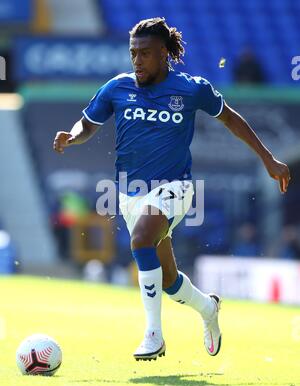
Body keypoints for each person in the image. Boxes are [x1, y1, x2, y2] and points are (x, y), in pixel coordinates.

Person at [53, 18, 291, 361]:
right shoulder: (117, 88)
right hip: (130, 192)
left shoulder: (191, 89)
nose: (137, 60)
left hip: (175, 188)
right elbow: (88, 123)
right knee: (168, 280)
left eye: (145, 54)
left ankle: (153, 336)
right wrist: (72, 136)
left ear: (164, 54)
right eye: (133, 53)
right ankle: (208, 308)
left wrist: (269, 158)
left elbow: (231, 119)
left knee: (139, 241)